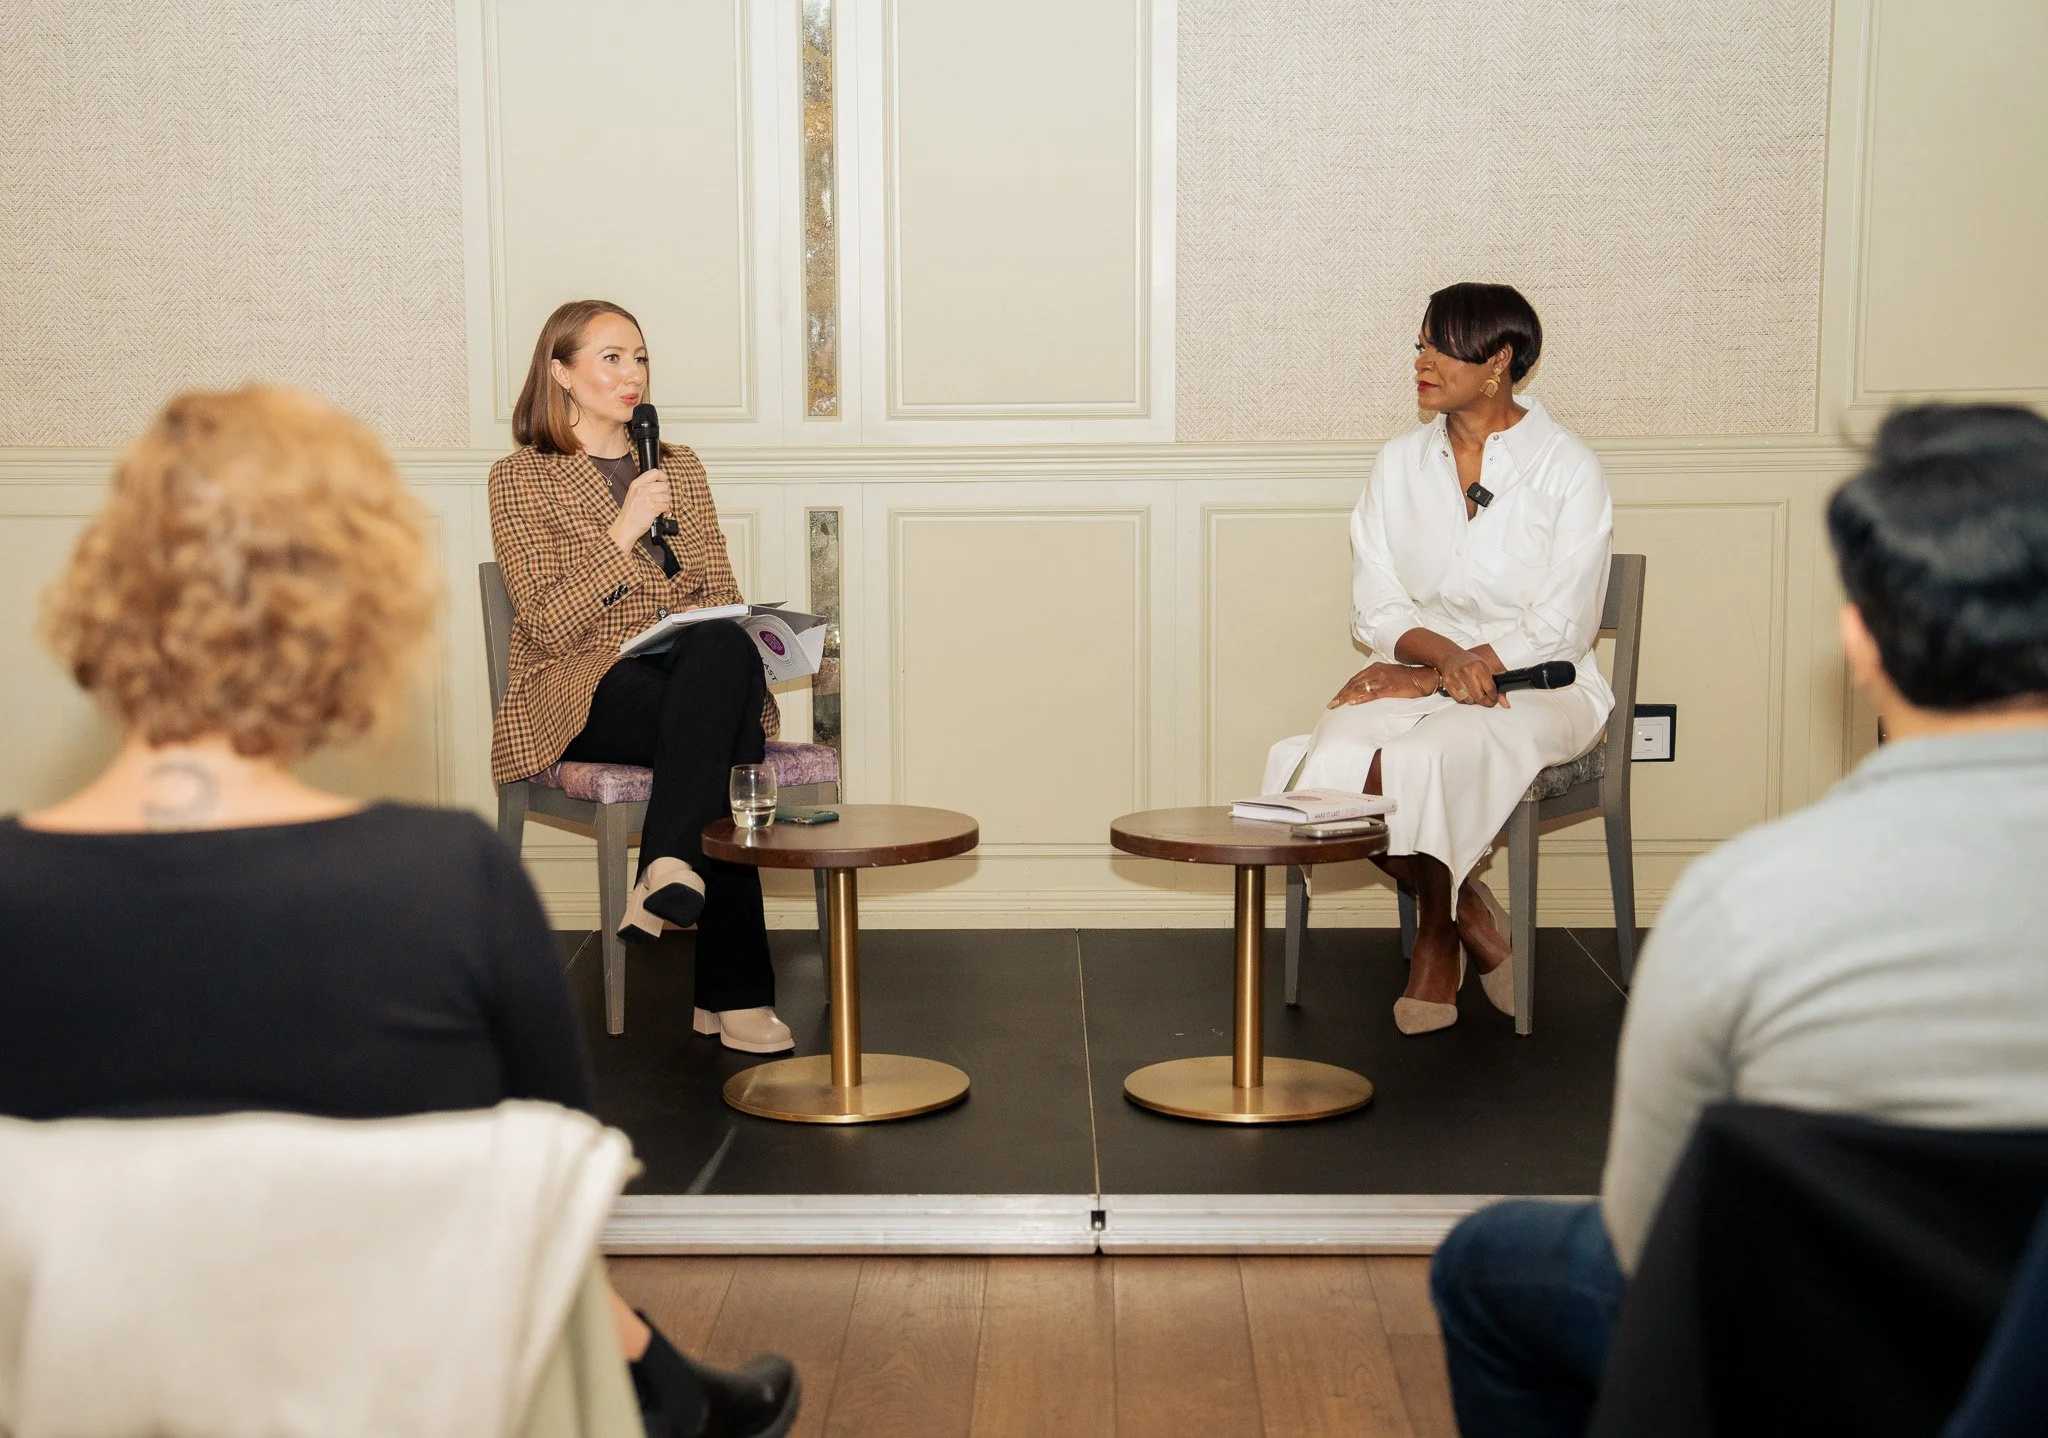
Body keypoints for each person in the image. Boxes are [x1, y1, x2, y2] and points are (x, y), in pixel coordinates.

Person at [0, 386, 798, 1438]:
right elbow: (538, 1205)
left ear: (100, 596)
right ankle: (665, 1386)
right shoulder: (446, 887)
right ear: (356, 617)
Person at [1429, 403, 2048, 1437]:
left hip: (1810, 1359)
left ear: (1858, 640)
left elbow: (1643, 1237)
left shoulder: (1748, 905)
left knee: (1486, 1266)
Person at [1263, 282, 1613, 1034]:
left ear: (1499, 361)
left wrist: (1438, 673)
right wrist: (1441, 664)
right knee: (1339, 750)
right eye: (1418, 343)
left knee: (1435, 753)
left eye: (1437, 344)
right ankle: (1468, 914)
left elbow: (1563, 622)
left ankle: (1433, 942)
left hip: (1543, 686)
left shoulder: (1567, 468)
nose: (1419, 359)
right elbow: (1378, 606)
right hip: (1437, 674)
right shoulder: (1397, 464)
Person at [490, 299, 790, 1055]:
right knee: (725, 736)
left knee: (722, 647)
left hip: (694, 673)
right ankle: (736, 996)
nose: (632, 376)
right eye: (611, 358)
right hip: (589, 685)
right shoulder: (521, 478)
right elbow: (549, 624)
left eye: (641, 358)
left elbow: (717, 588)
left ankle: (664, 864)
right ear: (560, 371)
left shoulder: (678, 465)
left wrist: (716, 623)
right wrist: (623, 532)